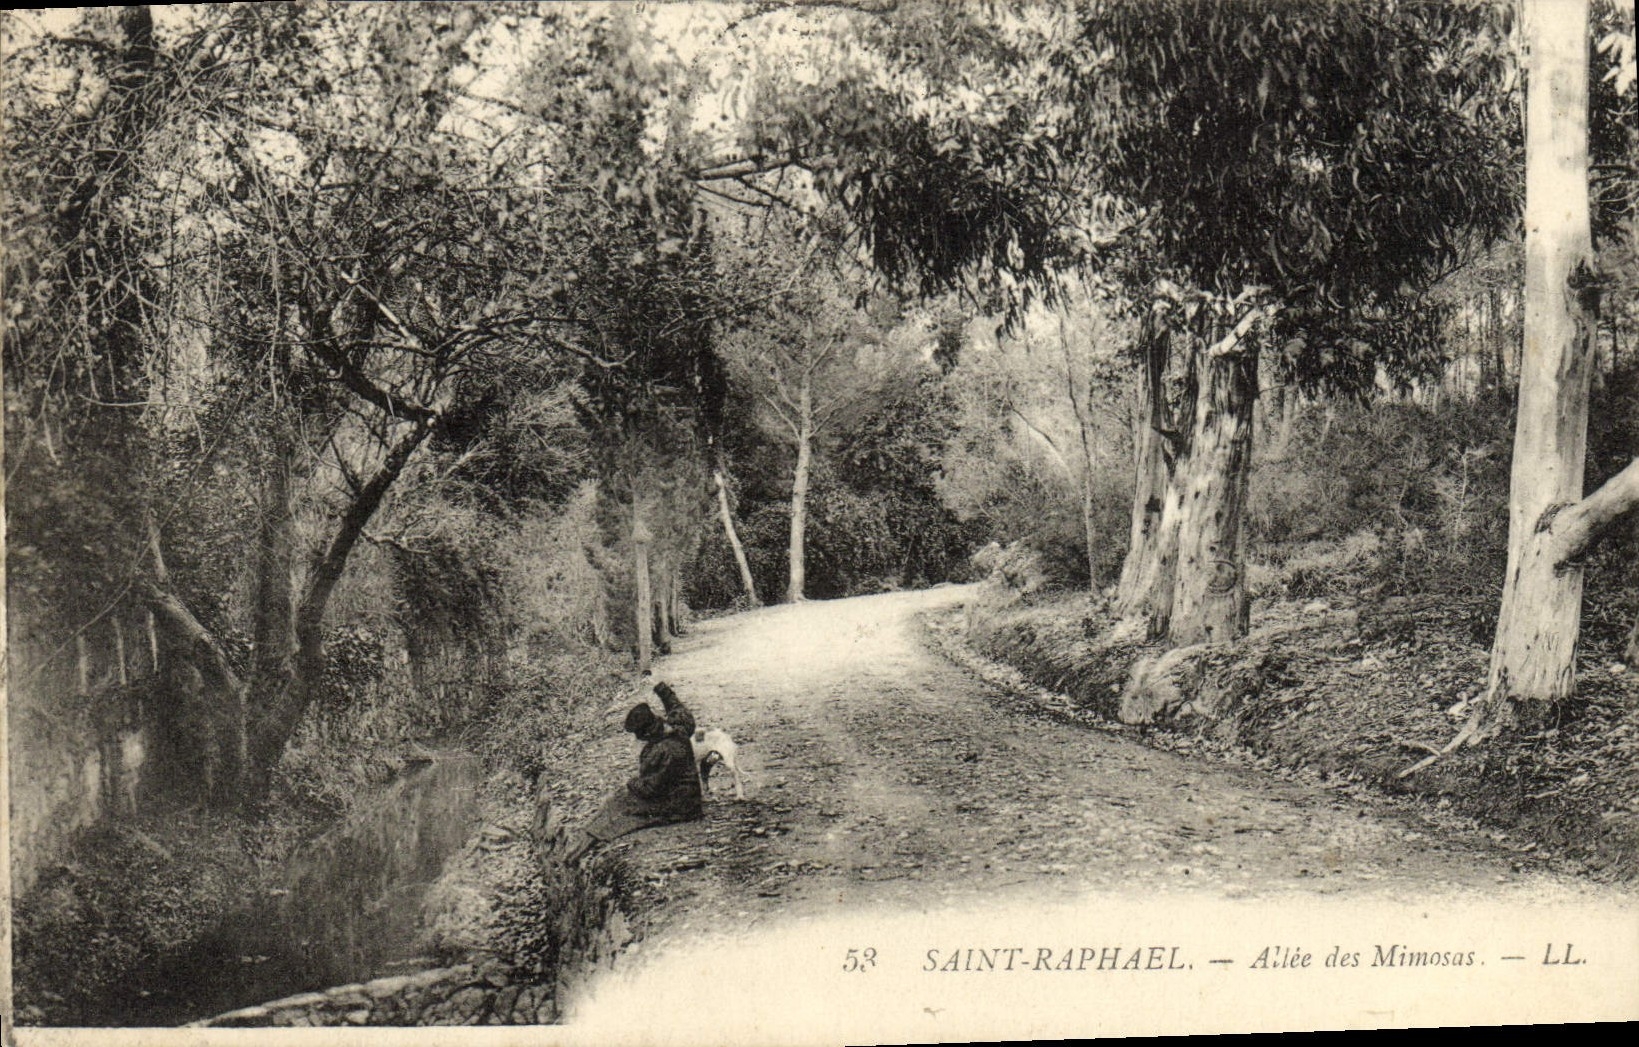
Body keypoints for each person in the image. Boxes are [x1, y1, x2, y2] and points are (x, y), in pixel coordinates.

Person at [560, 683, 703, 864]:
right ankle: (583, 840)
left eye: (639, 735)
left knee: (621, 811)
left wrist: (630, 784)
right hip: (684, 795)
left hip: (679, 805)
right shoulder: (678, 728)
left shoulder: (664, 750)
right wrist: (662, 690)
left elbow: (650, 789)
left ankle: (578, 850)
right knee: (616, 802)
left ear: (647, 733)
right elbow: (677, 708)